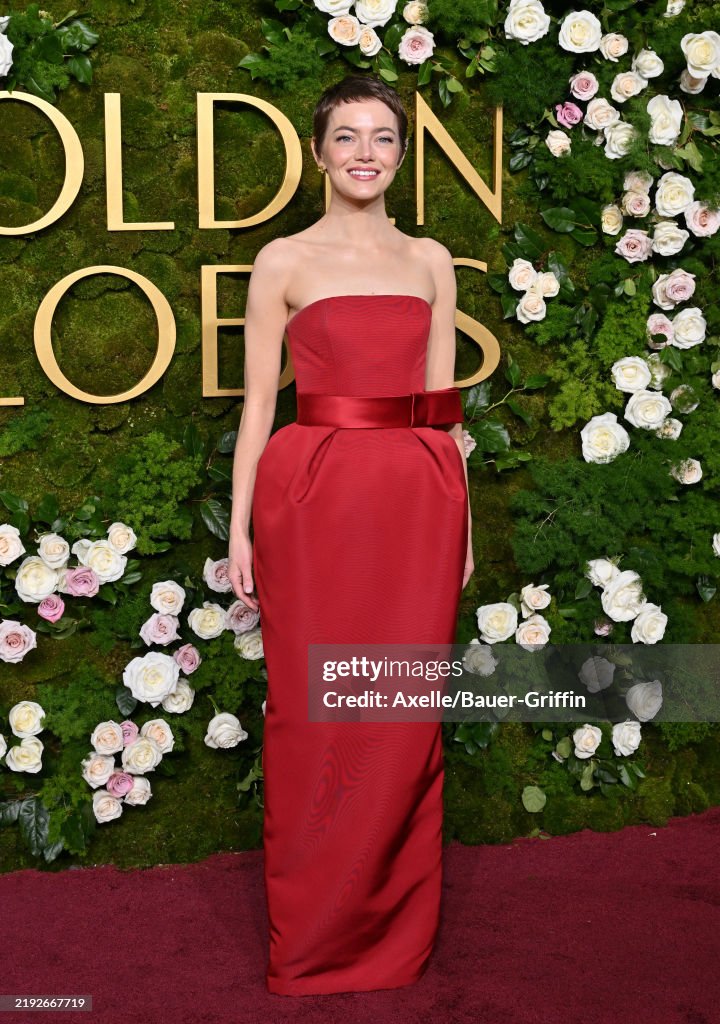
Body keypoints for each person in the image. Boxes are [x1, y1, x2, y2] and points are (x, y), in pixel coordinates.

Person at [228, 73, 473, 997]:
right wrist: (243, 528)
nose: (366, 154)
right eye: (348, 138)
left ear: (401, 156)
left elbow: (443, 411)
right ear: (320, 151)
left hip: (417, 498)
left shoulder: (431, 260)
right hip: (312, 496)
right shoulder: (283, 260)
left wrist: (466, 524)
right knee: (310, 710)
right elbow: (257, 407)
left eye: (383, 139)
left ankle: (391, 936)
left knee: (404, 714)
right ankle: (314, 941)